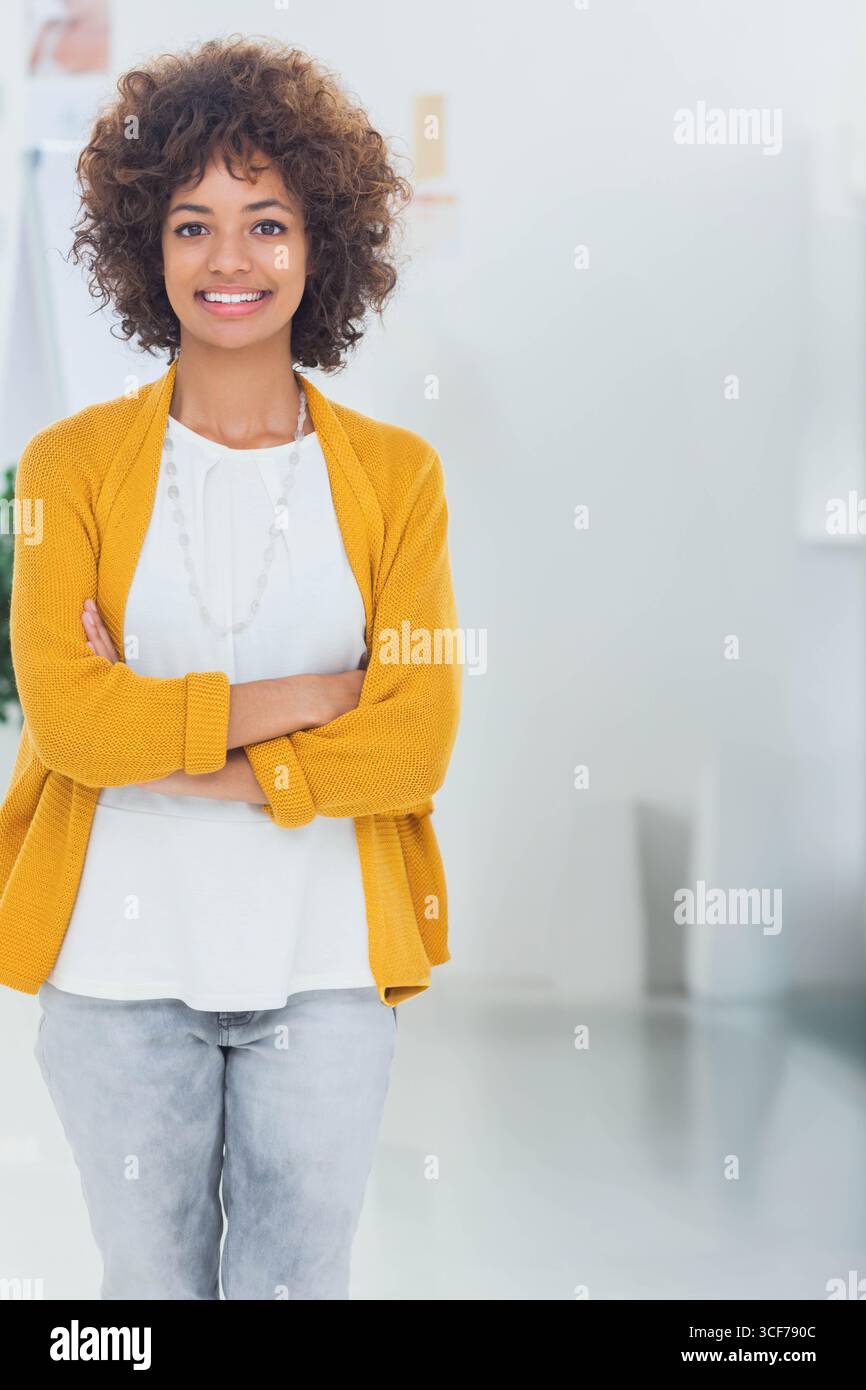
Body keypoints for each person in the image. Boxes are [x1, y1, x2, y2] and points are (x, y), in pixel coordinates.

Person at [0, 35, 462, 1299]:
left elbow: (413, 742)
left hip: (322, 972)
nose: (231, 261)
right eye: (194, 225)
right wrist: (315, 702)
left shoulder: (398, 479)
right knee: (145, 1298)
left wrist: (178, 747)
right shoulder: (67, 470)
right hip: (118, 974)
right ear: (146, 246)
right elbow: (73, 726)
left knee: (296, 1289)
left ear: (320, 247)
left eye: (267, 224)